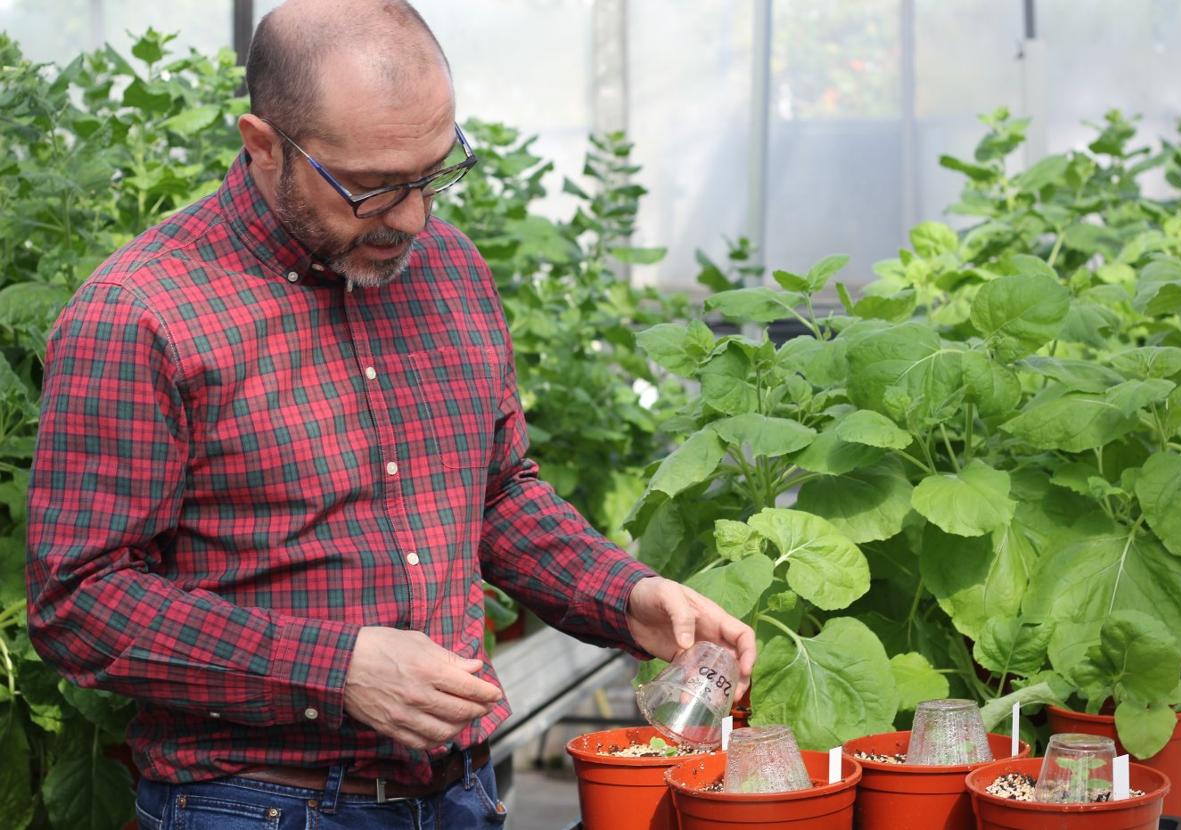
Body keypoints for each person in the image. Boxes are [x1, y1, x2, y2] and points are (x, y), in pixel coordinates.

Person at [24, 1, 755, 827]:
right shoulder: (142, 312)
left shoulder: (447, 269)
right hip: (258, 804)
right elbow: (79, 599)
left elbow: (498, 494)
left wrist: (624, 595)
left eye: (434, 172)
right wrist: (332, 668)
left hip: (460, 793)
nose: (412, 217)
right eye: (370, 188)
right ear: (264, 145)